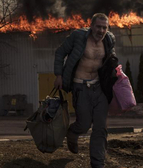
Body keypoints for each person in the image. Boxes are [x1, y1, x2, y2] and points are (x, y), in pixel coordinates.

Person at [53, 13, 118, 168]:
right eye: (98, 26)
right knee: (84, 124)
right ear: (91, 26)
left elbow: (111, 57)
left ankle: (97, 164)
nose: (101, 30)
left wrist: (116, 72)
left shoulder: (109, 39)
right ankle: (73, 132)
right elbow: (60, 52)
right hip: (80, 87)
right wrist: (58, 75)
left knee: (100, 128)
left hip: (99, 88)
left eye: (104, 27)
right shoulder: (78, 36)